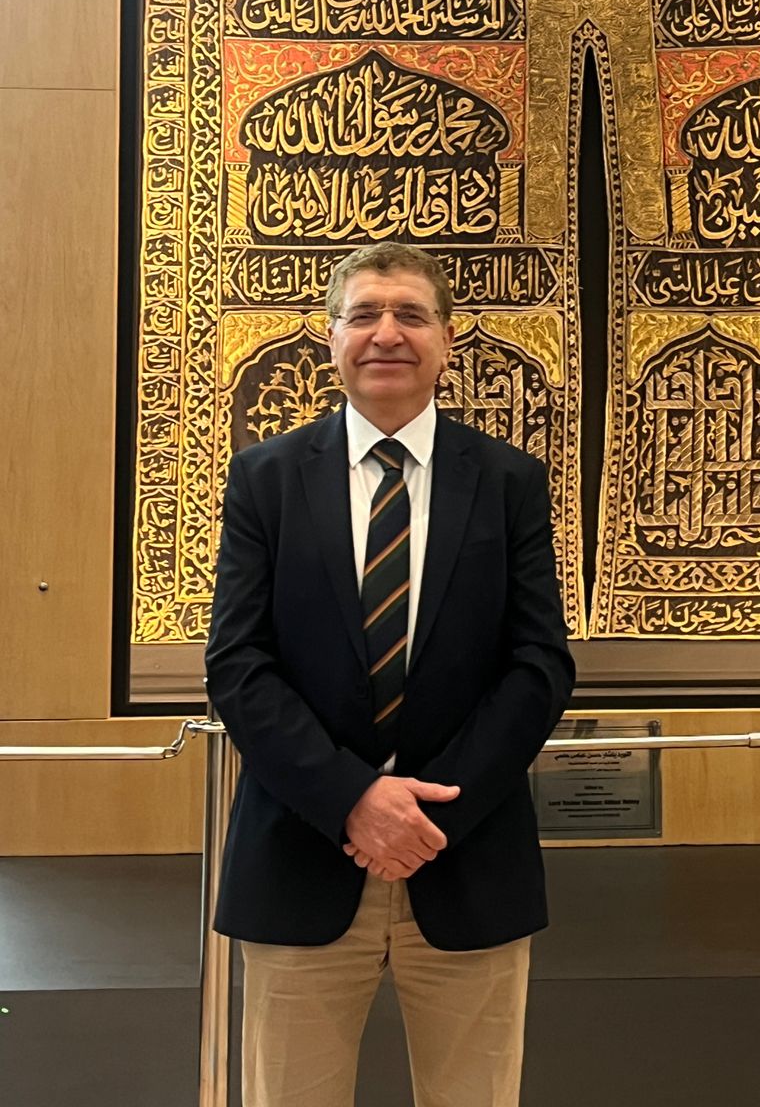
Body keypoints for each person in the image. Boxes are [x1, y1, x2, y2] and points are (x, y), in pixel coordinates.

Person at [205, 241, 575, 1107]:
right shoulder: (265, 479)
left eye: (411, 314)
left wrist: (423, 814)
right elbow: (238, 663)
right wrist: (354, 800)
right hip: (302, 854)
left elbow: (538, 664)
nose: (387, 334)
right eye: (364, 314)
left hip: (464, 856)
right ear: (330, 339)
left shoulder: (510, 482)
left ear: (447, 341)